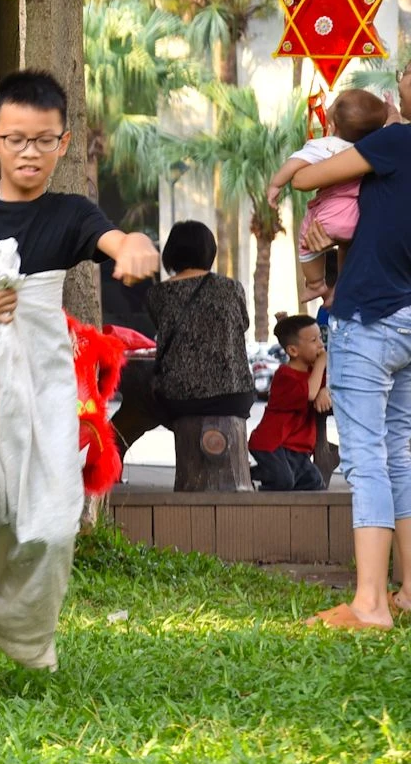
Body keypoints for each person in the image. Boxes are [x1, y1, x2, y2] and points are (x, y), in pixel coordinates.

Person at [0, 71, 159, 692]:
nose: (29, 153)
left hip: (42, 380)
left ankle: (23, 631)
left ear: (64, 143)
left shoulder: (70, 214)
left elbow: (111, 237)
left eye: (44, 141)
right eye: (16, 140)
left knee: (49, 526)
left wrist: (135, 244)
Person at [290, 65, 411, 629]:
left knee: (366, 460)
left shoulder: (395, 139)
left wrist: (387, 123)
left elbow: (308, 180)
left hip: (373, 316)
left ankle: (369, 604)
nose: (401, 75)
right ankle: (406, 591)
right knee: (401, 452)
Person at [268, 88, 390, 301]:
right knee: (346, 253)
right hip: (357, 218)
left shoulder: (325, 146)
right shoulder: (372, 149)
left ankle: (316, 284)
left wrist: (275, 184)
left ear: (332, 126)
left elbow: (297, 166)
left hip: (328, 217)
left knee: (306, 239)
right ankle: (340, 291)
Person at [143, 221, 255, 425]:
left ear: (171, 253)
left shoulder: (156, 294)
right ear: (209, 251)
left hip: (178, 399)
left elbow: (164, 328)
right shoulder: (231, 287)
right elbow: (243, 325)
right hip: (234, 396)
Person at [249, 314, 329, 492]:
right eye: (314, 340)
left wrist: (326, 390)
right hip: (272, 444)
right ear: (293, 351)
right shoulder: (284, 376)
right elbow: (309, 393)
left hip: (298, 449)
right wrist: (322, 361)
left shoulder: (314, 373)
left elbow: (329, 385)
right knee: (283, 482)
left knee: (314, 482)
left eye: (321, 338)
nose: (320, 345)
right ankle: (251, 479)